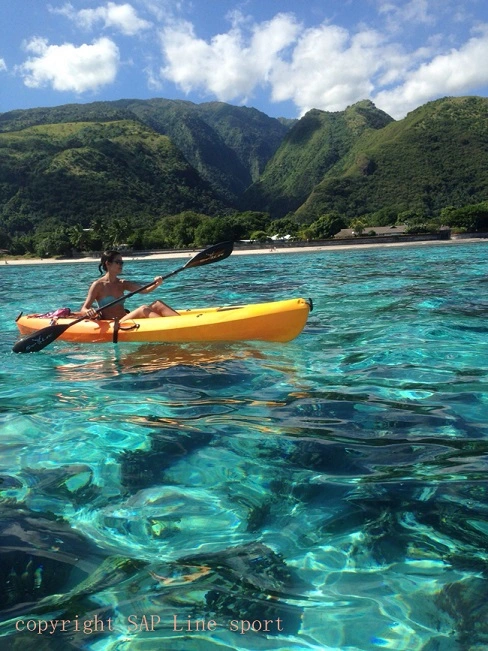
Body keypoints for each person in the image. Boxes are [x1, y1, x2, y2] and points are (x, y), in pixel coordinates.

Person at [81, 250, 179, 321]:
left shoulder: (122, 283)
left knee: (158, 304)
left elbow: (145, 290)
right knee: (143, 309)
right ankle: (170, 327)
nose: (121, 265)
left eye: (122, 262)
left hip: (126, 317)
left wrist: (157, 283)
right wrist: (89, 311)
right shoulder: (98, 285)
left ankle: (182, 324)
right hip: (115, 323)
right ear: (108, 264)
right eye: (118, 262)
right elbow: (84, 308)